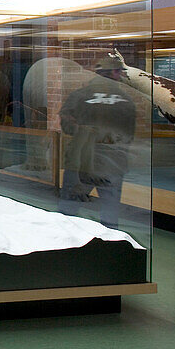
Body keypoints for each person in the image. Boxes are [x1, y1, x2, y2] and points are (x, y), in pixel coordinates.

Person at [57, 55, 136, 229]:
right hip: (113, 163)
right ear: (115, 72)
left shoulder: (79, 95)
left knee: (68, 213)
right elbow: (129, 133)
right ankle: (109, 247)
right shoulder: (126, 99)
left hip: (81, 162)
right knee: (110, 212)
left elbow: (67, 126)